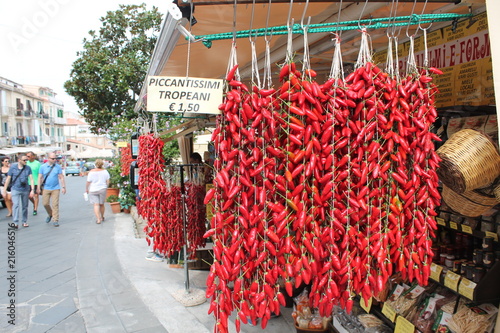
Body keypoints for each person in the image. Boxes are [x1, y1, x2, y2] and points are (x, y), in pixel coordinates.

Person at [3, 154, 35, 228]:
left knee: (25, 206)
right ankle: (15, 222)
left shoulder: (28, 168)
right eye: (24, 160)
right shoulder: (13, 168)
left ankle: (24, 221)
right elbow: (8, 178)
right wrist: (4, 190)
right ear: (19, 160)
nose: (26, 161)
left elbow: (31, 179)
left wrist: (32, 190)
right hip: (15, 188)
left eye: (26, 160)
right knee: (16, 205)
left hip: (25, 189)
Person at [37, 152, 66, 227]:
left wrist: (63, 187)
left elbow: (61, 177)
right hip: (46, 188)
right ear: (48, 159)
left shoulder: (57, 167)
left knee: (55, 204)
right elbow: (40, 177)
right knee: (45, 203)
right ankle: (50, 214)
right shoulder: (42, 167)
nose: (54, 160)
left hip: (55, 188)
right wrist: (38, 188)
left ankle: (55, 220)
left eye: (55, 158)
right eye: (53, 159)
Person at [85, 159, 110, 224]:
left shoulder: (91, 172)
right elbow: (108, 181)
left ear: (95, 164)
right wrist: (106, 186)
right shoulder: (105, 171)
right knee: (101, 204)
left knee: (96, 204)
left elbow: (88, 182)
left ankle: (98, 219)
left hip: (93, 189)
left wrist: (86, 189)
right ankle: (102, 216)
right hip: (102, 189)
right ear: (102, 164)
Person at [26, 151, 41, 216]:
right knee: (29, 196)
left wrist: (39, 183)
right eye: (27, 156)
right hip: (28, 182)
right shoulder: (26, 163)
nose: (27, 157)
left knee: (36, 196)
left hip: (35, 182)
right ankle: (35, 203)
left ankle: (35, 209)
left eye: (28, 156)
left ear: (32, 156)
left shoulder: (37, 163)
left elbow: (40, 173)